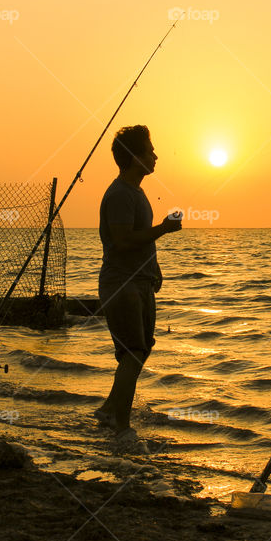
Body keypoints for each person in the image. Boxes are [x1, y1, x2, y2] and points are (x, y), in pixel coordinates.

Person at [93, 125, 181, 444]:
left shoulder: (137, 192)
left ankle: (108, 410)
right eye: (149, 150)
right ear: (134, 157)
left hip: (140, 283)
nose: (155, 155)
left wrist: (154, 270)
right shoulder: (119, 194)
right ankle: (121, 427)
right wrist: (163, 229)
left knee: (142, 349)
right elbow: (123, 240)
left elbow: (139, 241)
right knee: (133, 351)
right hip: (121, 285)